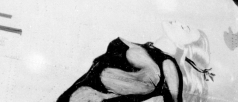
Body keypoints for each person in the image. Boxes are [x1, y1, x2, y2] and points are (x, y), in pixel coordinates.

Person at [57, 21, 214, 102]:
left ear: (182, 45)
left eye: (185, 29)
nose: (179, 23)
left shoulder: (167, 64)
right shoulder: (148, 49)